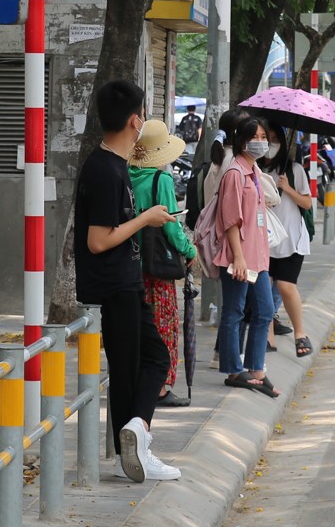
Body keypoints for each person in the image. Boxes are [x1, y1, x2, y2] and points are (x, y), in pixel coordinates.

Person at [74, 79, 180, 483]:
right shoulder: (104, 171)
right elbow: (98, 240)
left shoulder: (115, 166)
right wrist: (147, 218)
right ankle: (133, 448)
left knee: (153, 358)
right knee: (128, 367)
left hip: (126, 281)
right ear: (135, 121)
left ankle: (136, 432)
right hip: (111, 284)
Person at [130, 119, 197, 409]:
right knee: (164, 325)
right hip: (157, 266)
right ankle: (159, 387)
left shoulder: (126, 174)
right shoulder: (162, 180)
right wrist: (189, 249)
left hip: (130, 264)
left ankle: (137, 381)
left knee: (138, 328)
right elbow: (170, 227)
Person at [211, 114, 279, 398]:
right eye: (255, 138)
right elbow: (231, 220)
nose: (261, 144)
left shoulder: (254, 173)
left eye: (264, 138)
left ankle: (256, 368)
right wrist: (237, 258)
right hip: (239, 257)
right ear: (241, 140)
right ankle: (234, 370)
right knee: (234, 311)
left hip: (258, 256)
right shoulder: (235, 173)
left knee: (264, 310)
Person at [261, 130, 315, 358]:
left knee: (285, 286)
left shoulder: (294, 170)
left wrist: (287, 188)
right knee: (264, 288)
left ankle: (300, 334)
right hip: (264, 238)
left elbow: (307, 202)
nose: (269, 144)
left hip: (292, 239)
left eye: (273, 140)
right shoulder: (256, 170)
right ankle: (268, 337)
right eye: (264, 139)